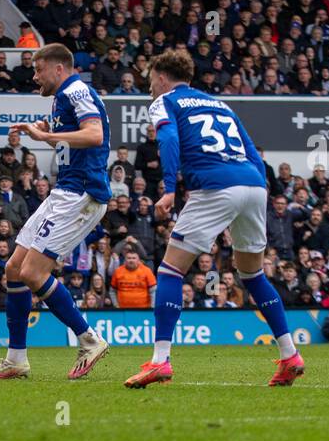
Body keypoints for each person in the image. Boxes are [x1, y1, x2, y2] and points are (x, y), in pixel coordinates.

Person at [125, 50, 304, 388]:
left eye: (150, 80)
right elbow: (252, 151)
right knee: (251, 274)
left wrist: (167, 189)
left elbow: (167, 138)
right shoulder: (220, 104)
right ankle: (290, 354)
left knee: (170, 270)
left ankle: (160, 361)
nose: (149, 87)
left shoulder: (165, 101)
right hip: (253, 185)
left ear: (162, 78)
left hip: (215, 185)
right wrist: (258, 187)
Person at [0, 43, 111, 381]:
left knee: (33, 274)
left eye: (39, 70)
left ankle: (89, 339)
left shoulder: (77, 89)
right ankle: (16, 360)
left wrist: (47, 134)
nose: (34, 76)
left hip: (82, 193)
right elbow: (70, 135)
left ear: (59, 68)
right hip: (64, 191)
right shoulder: (61, 98)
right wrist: (41, 129)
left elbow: (95, 135)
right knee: (13, 268)